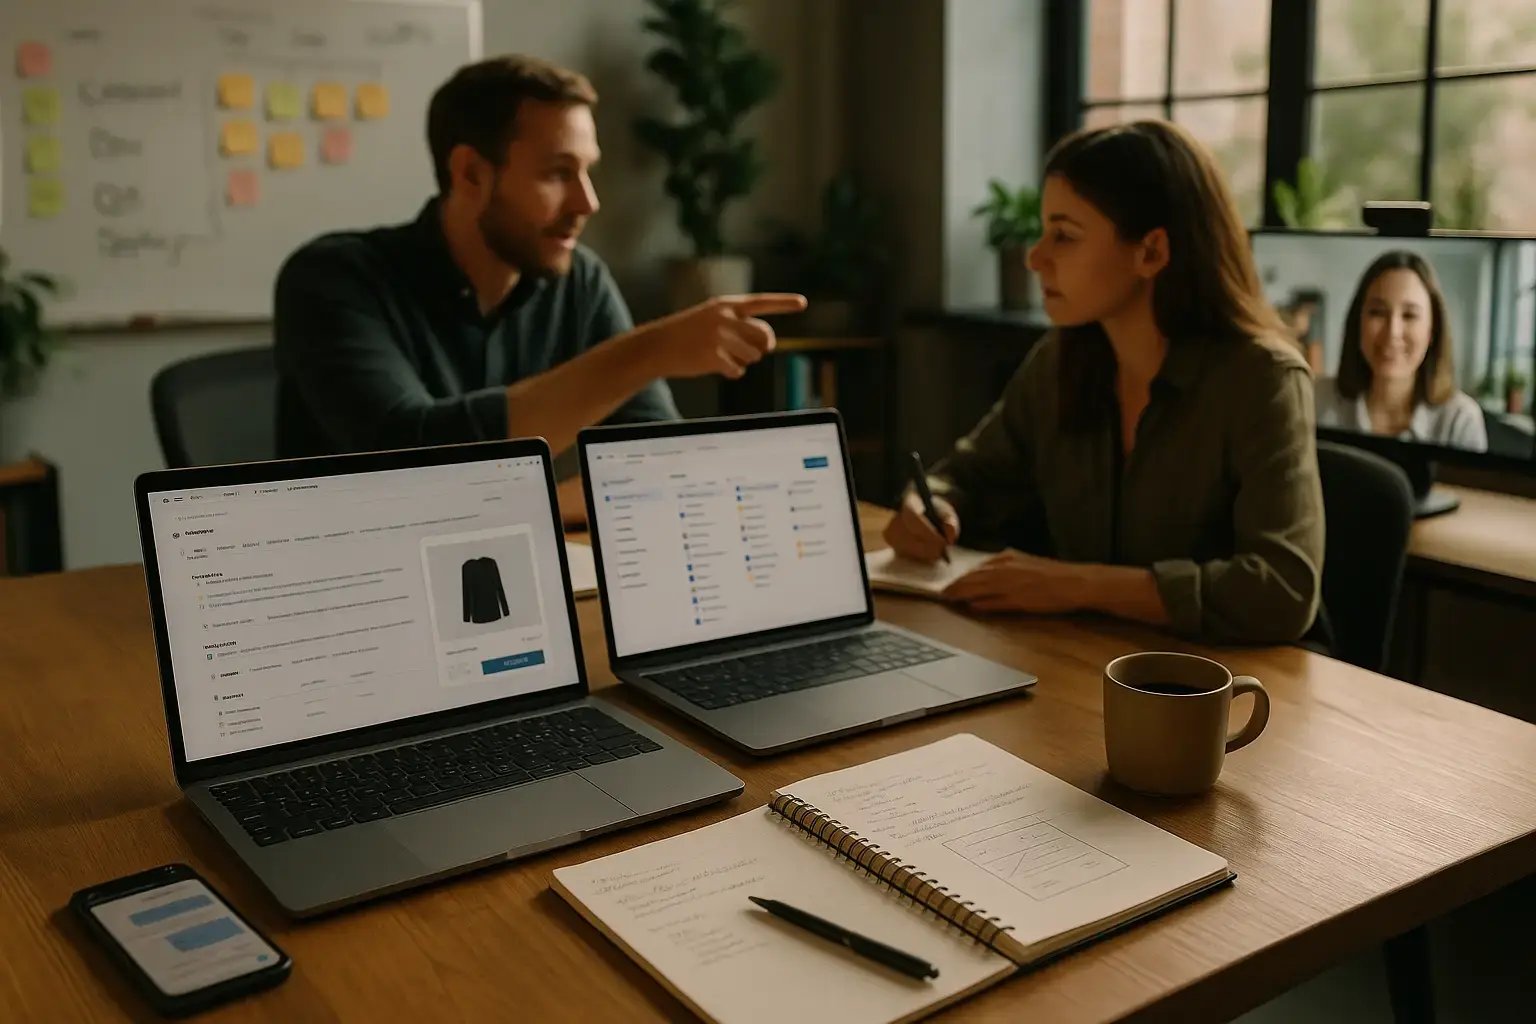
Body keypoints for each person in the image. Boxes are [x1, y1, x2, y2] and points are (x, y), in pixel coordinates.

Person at [273, 56, 805, 519]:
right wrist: (649, 352)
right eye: (558, 173)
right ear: (470, 173)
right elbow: (412, 458)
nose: (587, 202)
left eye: (588, 172)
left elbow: (651, 465)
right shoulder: (333, 278)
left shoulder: (580, 281)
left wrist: (521, 510)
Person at [884, 120, 1323, 645]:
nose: (1034, 257)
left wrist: (1078, 585)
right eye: (1044, 231)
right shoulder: (1060, 359)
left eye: (1064, 236)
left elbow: (1281, 590)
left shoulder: (1262, 379)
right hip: (1091, 658)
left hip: (1224, 680)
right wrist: (927, 506)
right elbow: (968, 475)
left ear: (1151, 252)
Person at [1314, 251, 1487, 452]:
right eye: (1377, 312)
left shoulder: (1460, 420)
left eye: (1409, 315)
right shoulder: (1315, 400)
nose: (1392, 332)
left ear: (1432, 330)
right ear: (1358, 323)